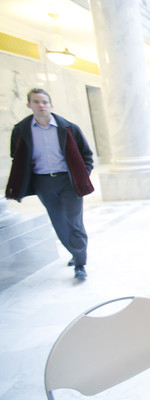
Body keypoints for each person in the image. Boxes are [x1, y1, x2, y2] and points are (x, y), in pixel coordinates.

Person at [5, 88, 94, 281]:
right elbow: (17, 156)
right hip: (43, 182)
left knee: (74, 223)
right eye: (36, 102)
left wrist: (82, 175)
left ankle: (80, 263)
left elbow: (86, 155)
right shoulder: (21, 130)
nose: (41, 105)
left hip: (68, 181)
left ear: (51, 105)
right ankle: (74, 251)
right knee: (59, 222)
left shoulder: (68, 128)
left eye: (44, 101)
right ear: (29, 105)